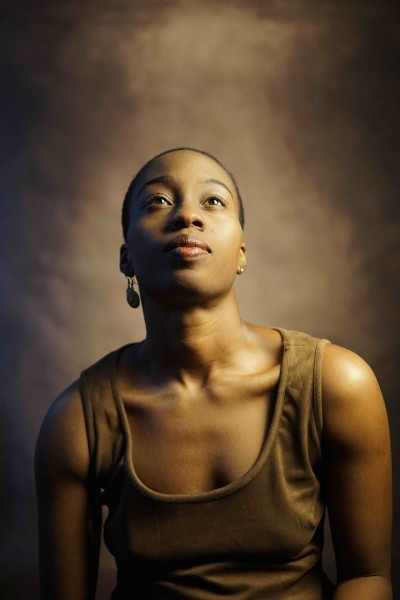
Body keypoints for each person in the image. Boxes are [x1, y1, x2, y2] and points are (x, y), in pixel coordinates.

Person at [35, 147, 392, 600]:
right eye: (158, 202)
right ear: (126, 258)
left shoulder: (337, 385)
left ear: (241, 251)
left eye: (213, 201)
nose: (187, 215)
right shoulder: (76, 423)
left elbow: (367, 577)